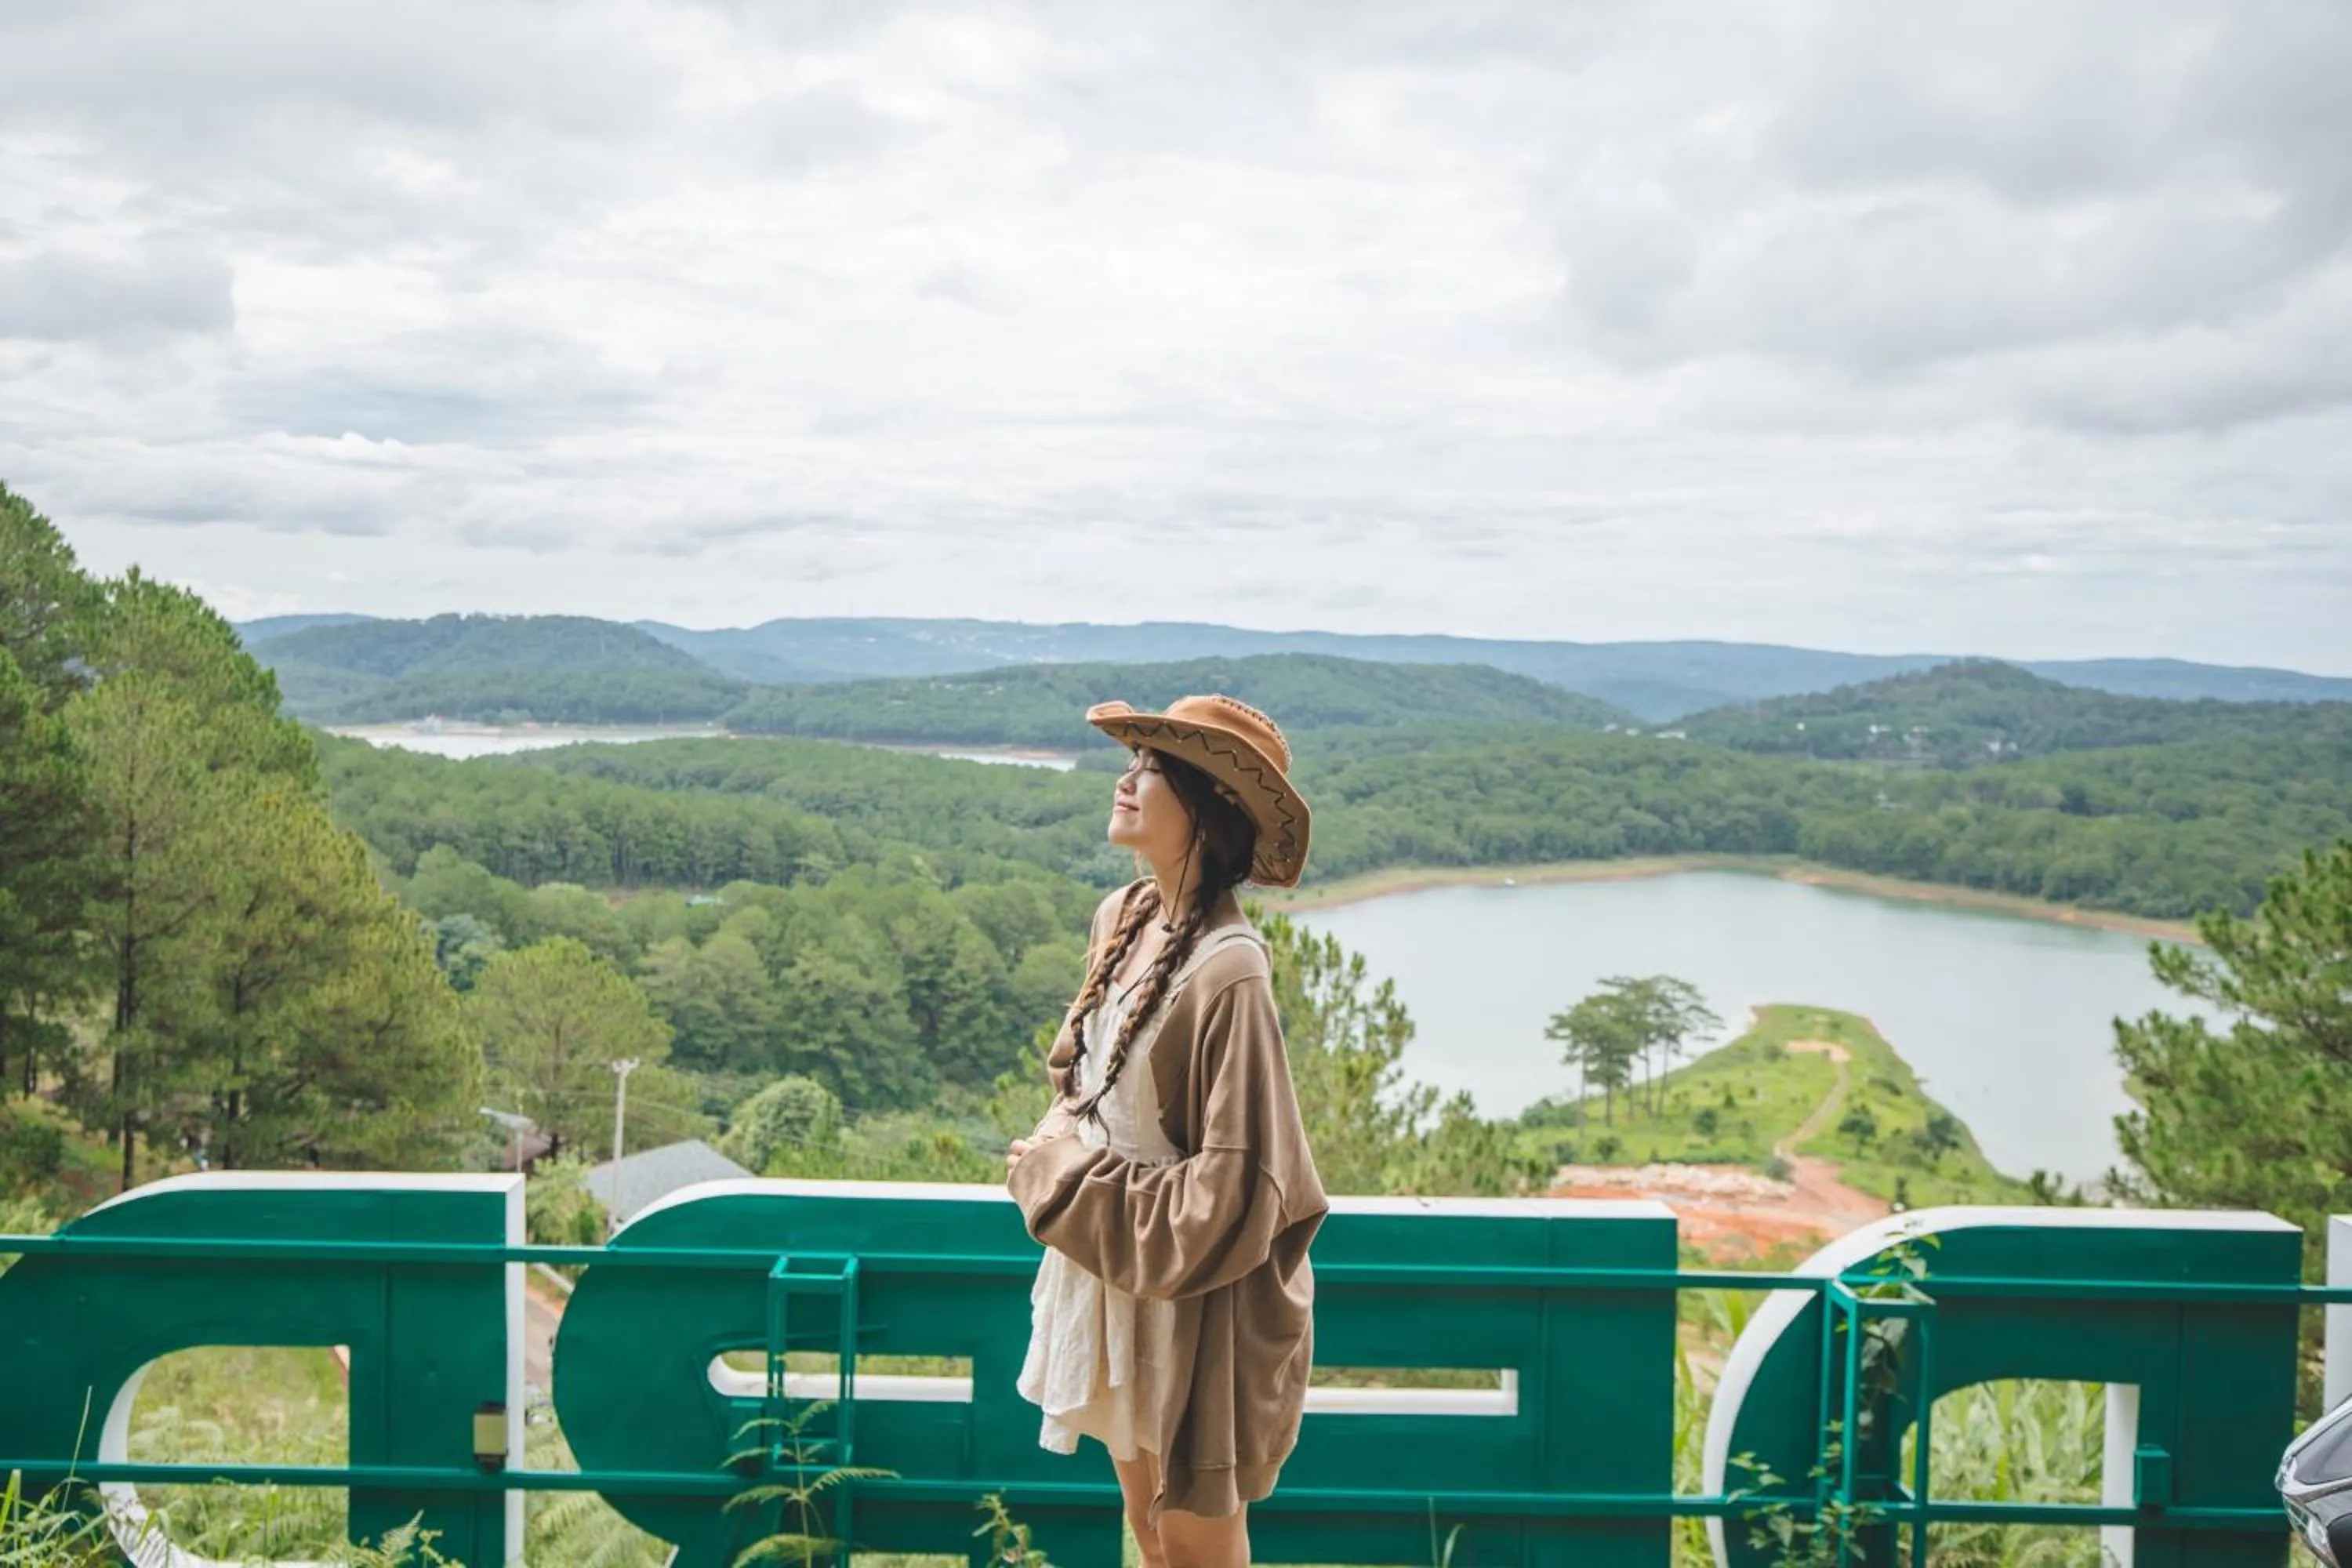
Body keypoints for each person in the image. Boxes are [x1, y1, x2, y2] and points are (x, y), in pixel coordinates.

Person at [1006, 694, 1327, 1568]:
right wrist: (1055, 1140)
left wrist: (1060, 1177)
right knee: (1147, 1531)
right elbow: (1084, 1076)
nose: (1126, 777)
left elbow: (1234, 1192)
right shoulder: (1123, 915)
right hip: (1115, 1262)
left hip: (1193, 1296)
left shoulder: (1232, 970)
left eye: (1153, 768)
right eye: (1135, 761)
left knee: (1194, 1544)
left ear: (1209, 805)